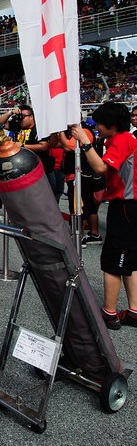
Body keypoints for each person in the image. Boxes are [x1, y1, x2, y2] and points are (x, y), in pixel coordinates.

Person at [71, 103, 137, 331]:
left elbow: (100, 168)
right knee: (130, 261)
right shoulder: (122, 139)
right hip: (127, 204)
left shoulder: (123, 139)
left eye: (99, 123)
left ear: (113, 124)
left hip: (126, 206)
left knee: (113, 262)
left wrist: (85, 142)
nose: (96, 127)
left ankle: (109, 313)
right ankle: (134, 311)